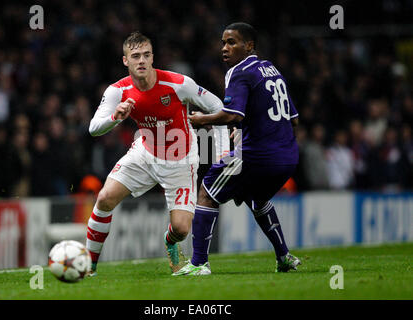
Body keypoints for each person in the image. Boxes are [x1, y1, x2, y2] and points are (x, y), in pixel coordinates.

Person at [86, 31, 229, 275]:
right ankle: (88, 267)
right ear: (125, 61)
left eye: (146, 55)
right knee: (104, 198)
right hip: (145, 151)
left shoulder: (178, 83)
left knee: (181, 229)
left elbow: (217, 106)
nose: (141, 60)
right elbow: (93, 129)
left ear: (153, 57)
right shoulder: (117, 91)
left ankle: (170, 240)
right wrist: (115, 117)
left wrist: (223, 150)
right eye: (135, 56)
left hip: (181, 160)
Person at [174, 22, 301, 275]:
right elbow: (293, 119)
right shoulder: (271, 69)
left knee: (207, 191)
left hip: (257, 155)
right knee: (259, 198)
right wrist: (247, 129)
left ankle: (199, 263)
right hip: (288, 156)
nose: (225, 48)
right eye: (223, 42)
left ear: (249, 46)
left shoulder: (238, 71)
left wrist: (201, 119)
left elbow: (232, 115)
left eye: (232, 42)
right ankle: (284, 257)